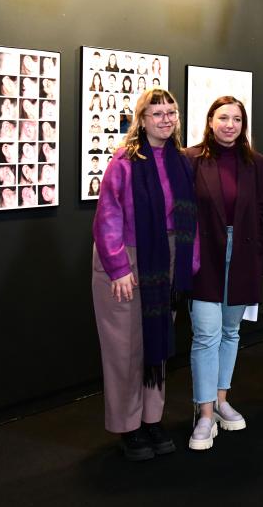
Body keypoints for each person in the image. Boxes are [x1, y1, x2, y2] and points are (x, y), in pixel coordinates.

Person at [92, 87, 198, 461]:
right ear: (142, 119)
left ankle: (152, 419)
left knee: (158, 339)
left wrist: (190, 262)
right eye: (157, 113)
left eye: (171, 112)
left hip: (165, 259)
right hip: (125, 260)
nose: (166, 119)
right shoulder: (124, 162)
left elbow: (190, 218)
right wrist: (119, 267)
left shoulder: (181, 162)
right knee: (126, 348)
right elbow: (107, 217)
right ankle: (128, 426)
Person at [183, 96, 263, 450]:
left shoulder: (256, 163)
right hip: (206, 256)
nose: (230, 124)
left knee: (231, 332)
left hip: (244, 255)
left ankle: (221, 401)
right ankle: (203, 414)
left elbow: (262, 212)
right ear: (210, 121)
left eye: (236, 118)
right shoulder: (190, 159)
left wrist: (260, 258)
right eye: (223, 118)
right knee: (206, 333)